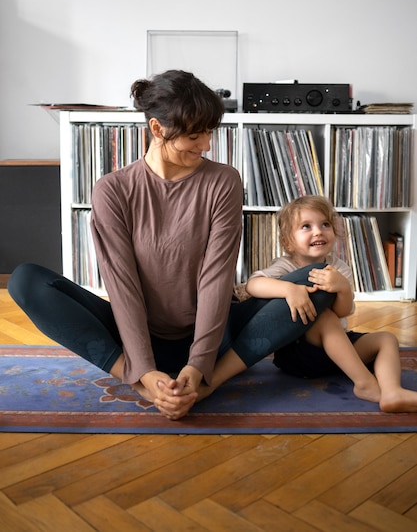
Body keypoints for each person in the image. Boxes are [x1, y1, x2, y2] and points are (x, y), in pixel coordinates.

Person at [8, 70, 336, 421]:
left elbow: (216, 280)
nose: (206, 144)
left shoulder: (223, 181)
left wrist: (199, 366)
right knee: (25, 280)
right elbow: (123, 288)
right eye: (195, 135)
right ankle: (143, 386)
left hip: (212, 341)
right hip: (133, 342)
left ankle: (208, 384)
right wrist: (145, 373)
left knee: (318, 280)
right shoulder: (113, 190)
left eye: (209, 132)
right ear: (156, 129)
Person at [245, 195, 417, 413]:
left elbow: (344, 311)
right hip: (298, 354)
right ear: (288, 242)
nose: (318, 231)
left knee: (386, 339)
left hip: (337, 349)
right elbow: (253, 285)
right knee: (323, 317)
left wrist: (343, 288)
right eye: (306, 226)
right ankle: (364, 383)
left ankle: (392, 392)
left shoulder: (338, 267)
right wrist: (289, 289)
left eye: (325, 224)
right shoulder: (284, 265)